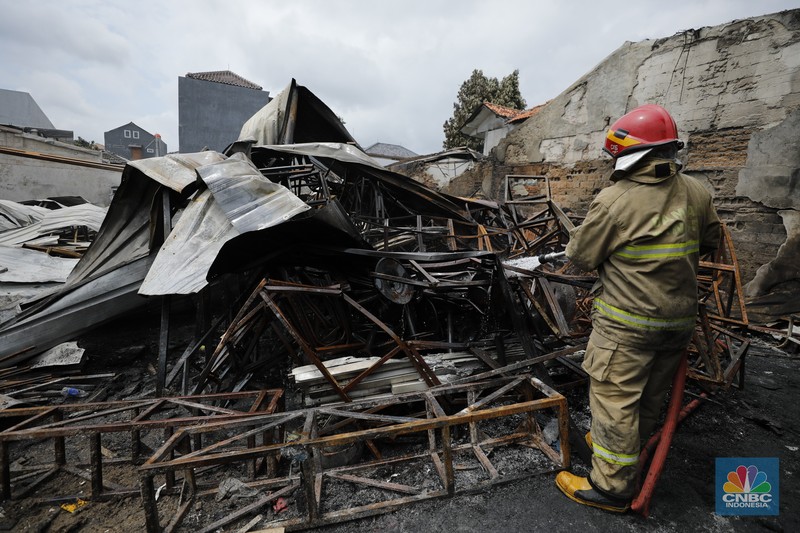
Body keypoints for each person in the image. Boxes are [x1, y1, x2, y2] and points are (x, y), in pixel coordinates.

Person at [555, 104, 721, 512]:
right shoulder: (698, 192)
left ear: (626, 154)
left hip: (626, 327)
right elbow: (710, 241)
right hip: (677, 323)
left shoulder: (616, 199)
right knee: (649, 398)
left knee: (615, 401)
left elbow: (581, 255)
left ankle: (610, 487)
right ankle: (624, 452)